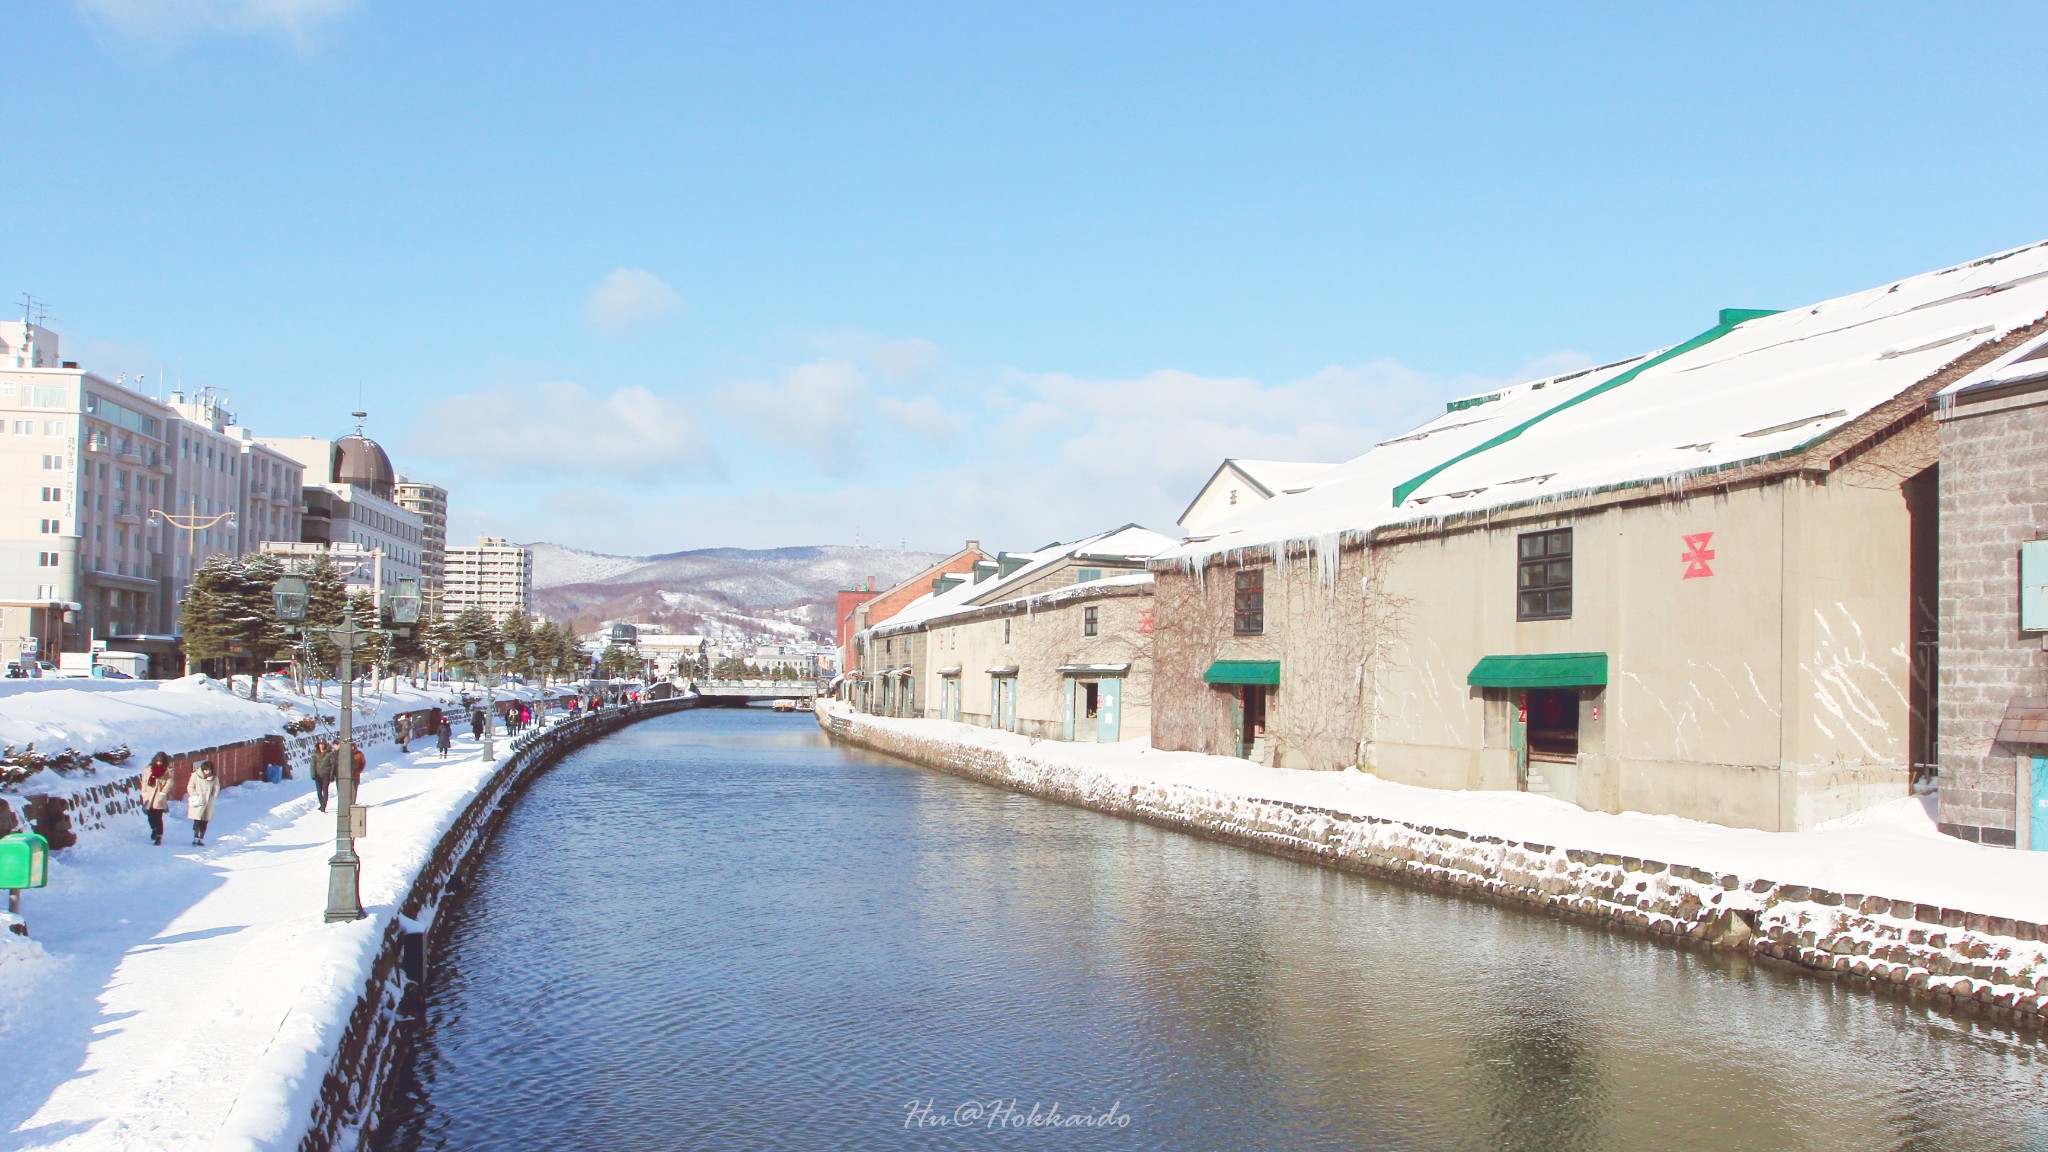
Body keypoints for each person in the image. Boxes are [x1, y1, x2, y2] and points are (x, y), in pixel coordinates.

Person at [141, 752, 174, 845]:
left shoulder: (167, 770)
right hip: (149, 795)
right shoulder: (149, 769)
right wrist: (144, 793)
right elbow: (144, 781)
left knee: (158, 817)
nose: (159, 763)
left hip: (159, 796)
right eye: (158, 761)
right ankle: (154, 829)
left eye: (161, 761)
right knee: (150, 816)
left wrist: (163, 792)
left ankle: (159, 836)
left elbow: (170, 782)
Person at [186, 759, 220, 846]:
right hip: (198, 802)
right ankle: (195, 837)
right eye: (205, 770)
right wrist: (195, 795)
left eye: (208, 770)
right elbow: (190, 786)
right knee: (197, 820)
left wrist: (213, 797)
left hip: (208, 802)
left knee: (205, 821)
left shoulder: (214, 778)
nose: (207, 772)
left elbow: (216, 788)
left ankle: (201, 838)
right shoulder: (195, 775)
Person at [311, 739, 336, 812]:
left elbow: (332, 765)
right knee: (319, 791)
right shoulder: (315, 754)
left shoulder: (329, 753)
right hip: (318, 774)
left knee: (325, 790)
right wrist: (313, 774)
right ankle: (321, 804)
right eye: (320, 744)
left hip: (326, 774)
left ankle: (323, 806)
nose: (321, 746)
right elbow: (312, 765)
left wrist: (332, 775)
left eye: (323, 744)